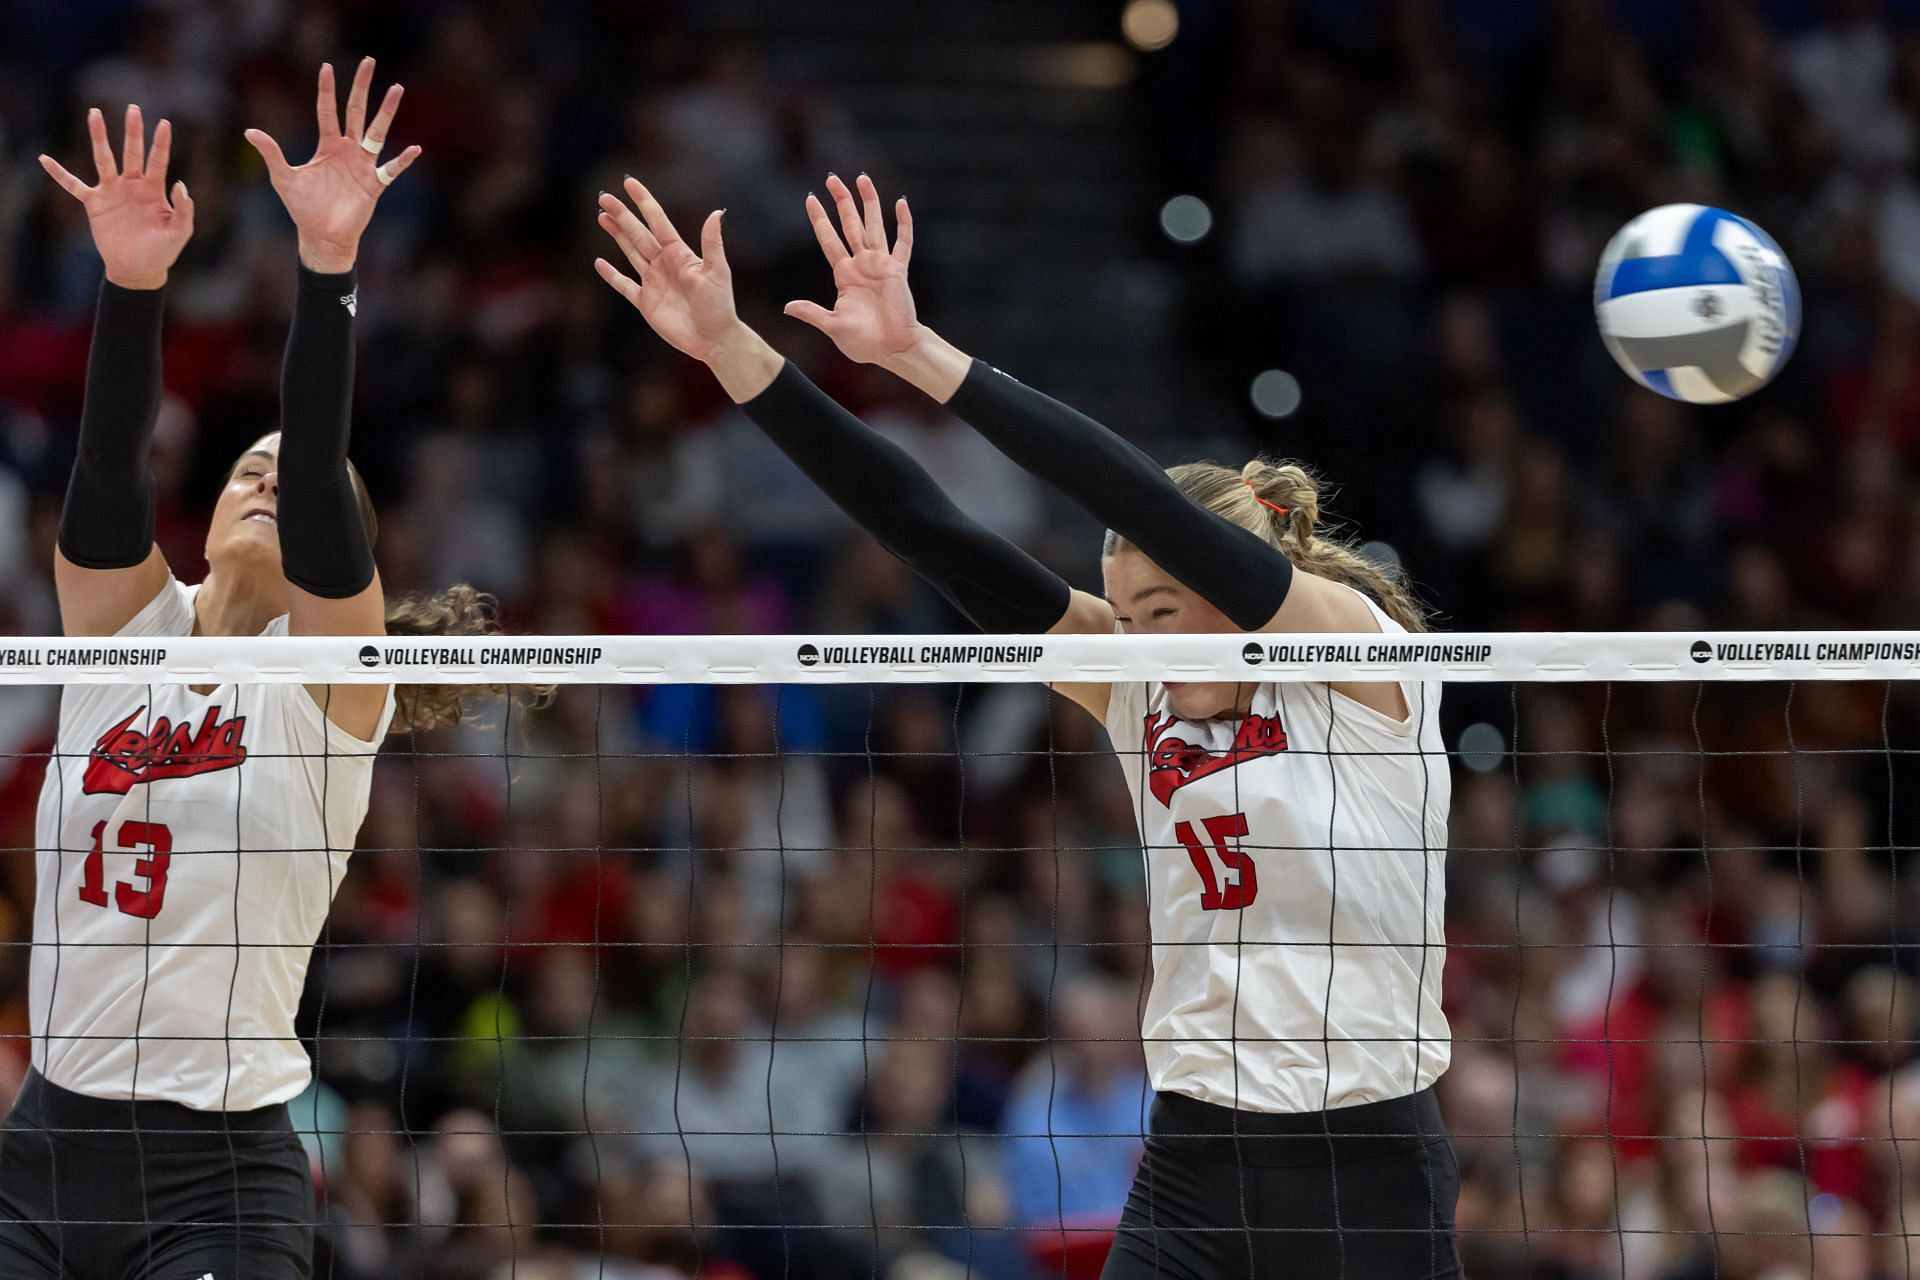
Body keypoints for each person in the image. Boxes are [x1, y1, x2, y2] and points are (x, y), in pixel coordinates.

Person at [593, 172, 1461, 1279]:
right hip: (1195, 1151)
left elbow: (1138, 496)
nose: (1141, 641)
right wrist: (733, 352)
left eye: (1167, 610)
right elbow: (927, 528)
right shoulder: (1135, 692)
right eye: (1127, 615)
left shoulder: (1354, 659)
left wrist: (919, 353)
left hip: (1364, 1160)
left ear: (1241, 589)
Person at [1, 63, 523, 1279]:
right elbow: (106, 484)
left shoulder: (334, 680)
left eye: (302, 476)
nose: (268, 477)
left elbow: (319, 453)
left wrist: (327, 268)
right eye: (251, 461)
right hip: (43, 1146)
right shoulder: (125, 629)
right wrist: (134, 287)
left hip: (216, 1176)